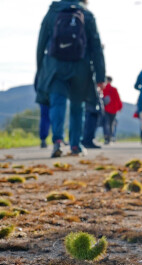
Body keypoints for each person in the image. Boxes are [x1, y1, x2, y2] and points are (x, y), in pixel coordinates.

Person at [35, 0, 105, 158]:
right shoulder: (86, 14)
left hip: (55, 66)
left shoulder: (53, 12)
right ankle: (75, 145)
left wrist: (41, 69)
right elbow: (96, 46)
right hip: (81, 67)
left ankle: (58, 140)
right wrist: (100, 75)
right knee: (77, 106)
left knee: (57, 103)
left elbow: (41, 42)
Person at [102, 76, 123, 145]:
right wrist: (119, 107)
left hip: (106, 109)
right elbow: (118, 99)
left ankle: (107, 137)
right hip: (113, 109)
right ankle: (110, 137)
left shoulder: (104, 89)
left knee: (106, 123)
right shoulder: (114, 89)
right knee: (111, 124)